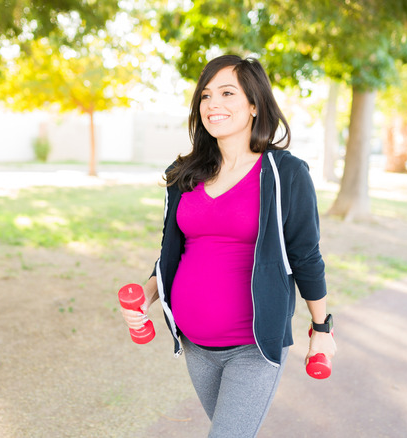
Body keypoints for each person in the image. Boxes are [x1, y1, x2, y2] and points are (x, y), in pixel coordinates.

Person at [120, 55, 337, 437]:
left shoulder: (285, 173)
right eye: (205, 96)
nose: (212, 104)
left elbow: (306, 255)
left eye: (226, 93)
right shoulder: (184, 174)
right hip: (195, 344)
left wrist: (322, 327)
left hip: (252, 347)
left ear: (254, 104)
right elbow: (172, 252)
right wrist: (148, 297)